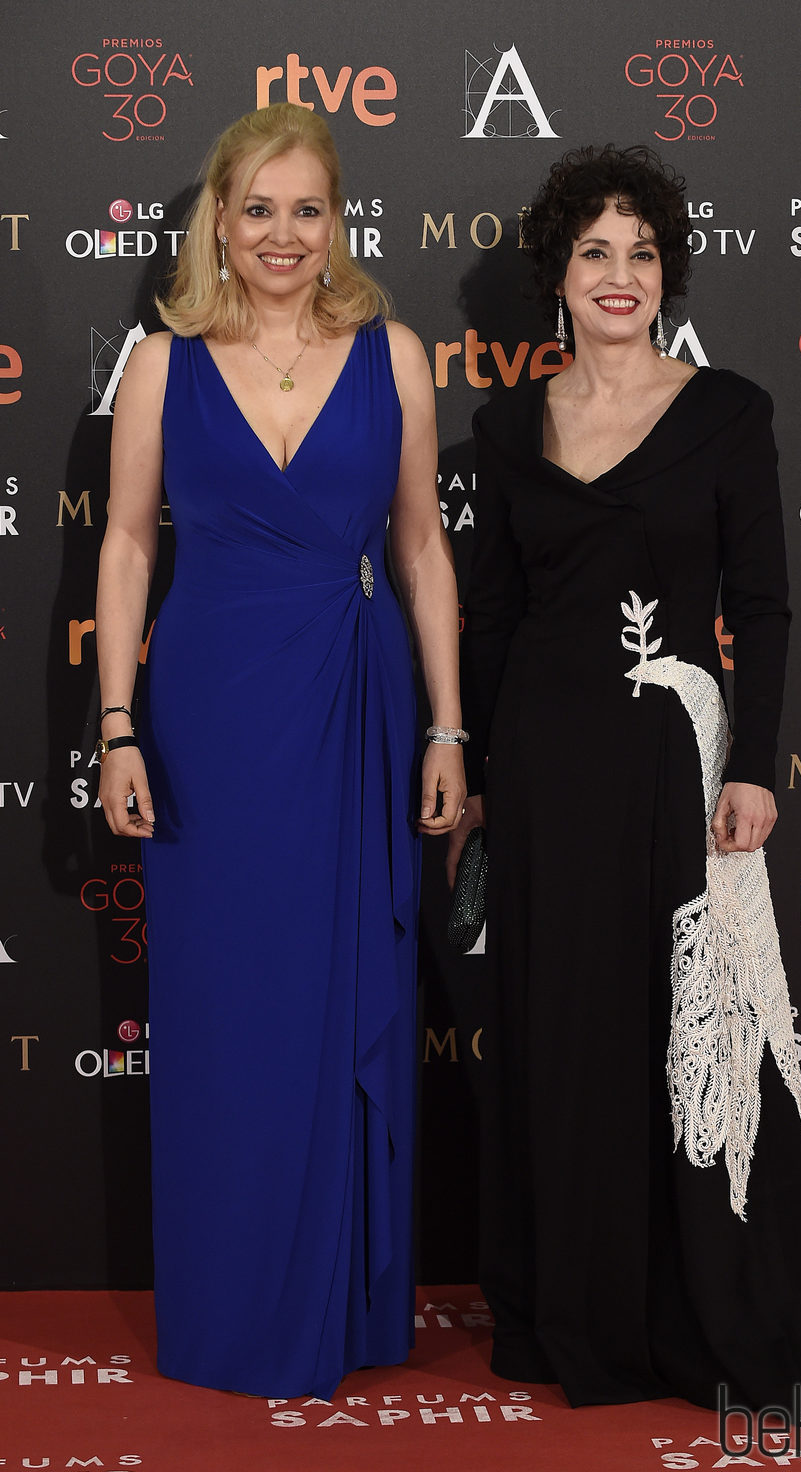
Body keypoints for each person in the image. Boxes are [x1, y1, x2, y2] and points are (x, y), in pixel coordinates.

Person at [449, 145, 801, 1413]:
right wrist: (484, 776)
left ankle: (700, 1292)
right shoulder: (504, 428)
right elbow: (492, 618)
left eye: (641, 253)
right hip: (547, 772)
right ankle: (577, 1310)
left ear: (665, 272)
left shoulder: (730, 411)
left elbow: (765, 606)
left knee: (684, 1035)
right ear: (555, 277)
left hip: (678, 771)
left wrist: (756, 768)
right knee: (564, 1036)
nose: (618, 276)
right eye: (593, 253)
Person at [95, 102, 466, 1398]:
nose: (283, 235)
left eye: (307, 209)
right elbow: (129, 546)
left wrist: (448, 725)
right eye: (258, 209)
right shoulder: (161, 363)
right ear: (219, 218)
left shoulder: (396, 354)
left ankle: (345, 1305)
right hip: (208, 716)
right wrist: (117, 723)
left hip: (354, 707)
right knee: (228, 1013)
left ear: (336, 217)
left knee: (340, 993)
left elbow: (420, 546)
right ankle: (237, 1309)